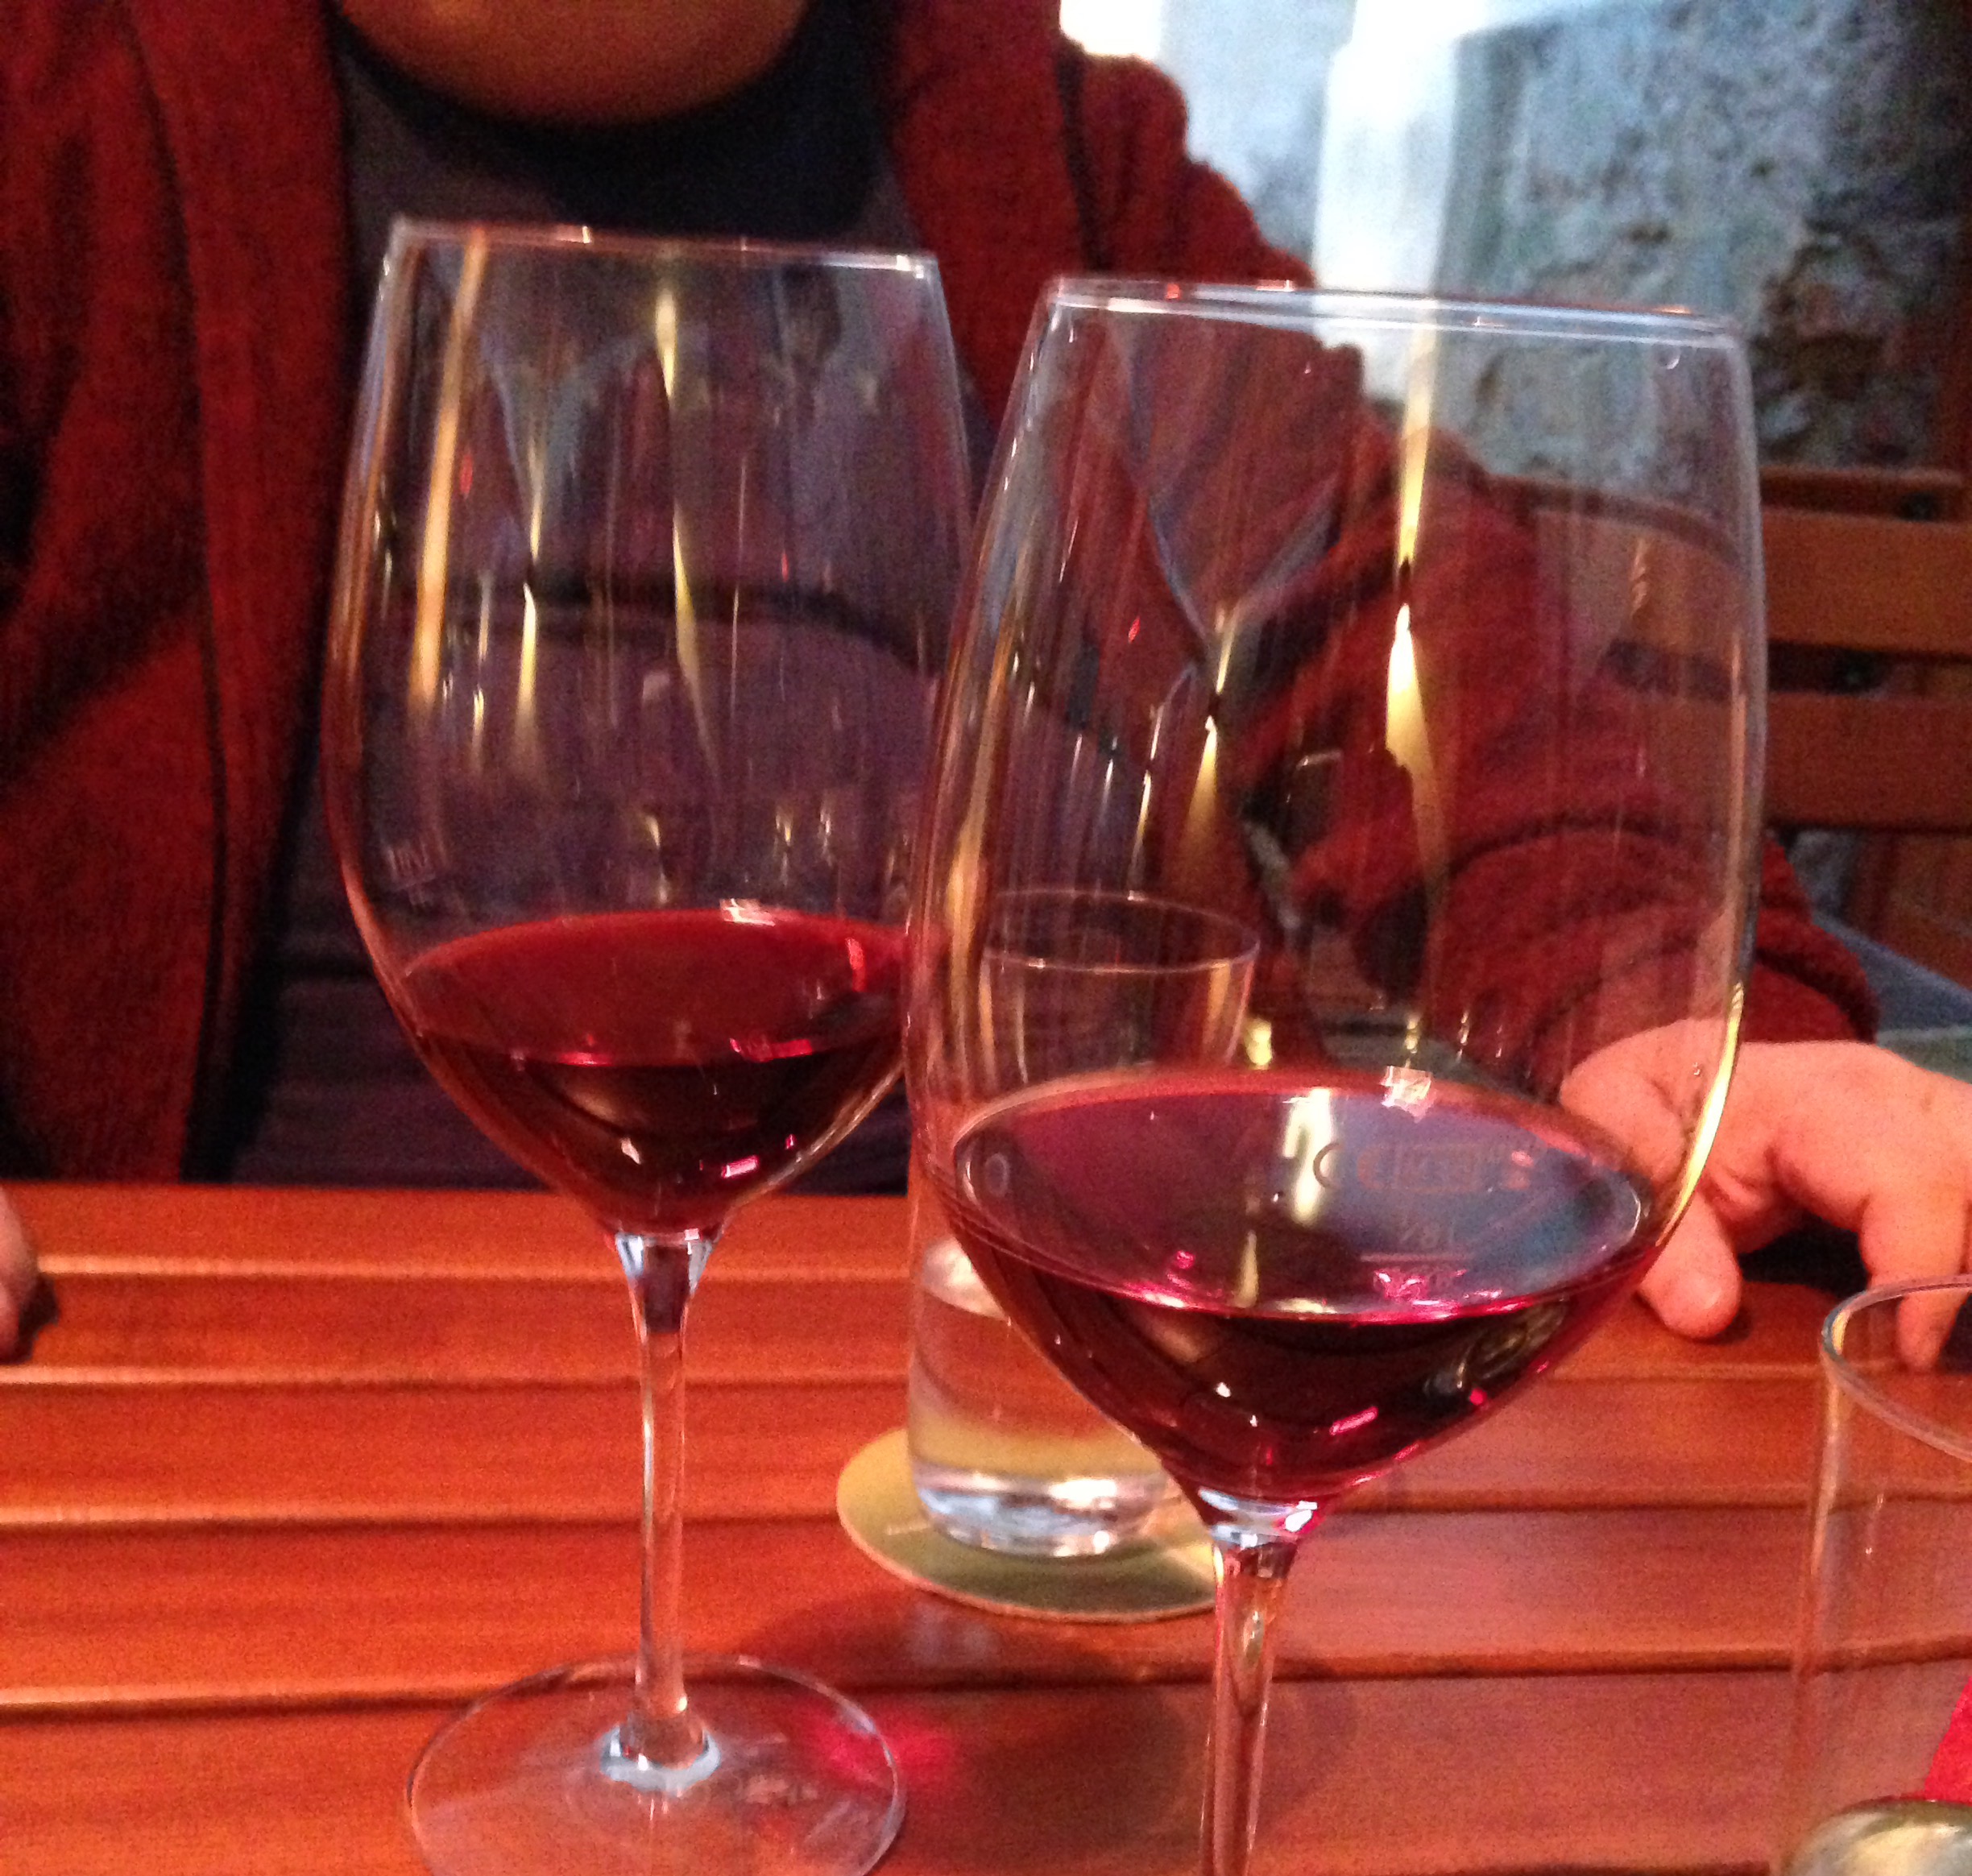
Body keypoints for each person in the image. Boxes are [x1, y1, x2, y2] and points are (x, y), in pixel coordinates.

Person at [2, 0, 1970, 1357]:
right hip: (194, 1374)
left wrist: (1653, 1016)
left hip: (974, 1388)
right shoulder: (55, 106)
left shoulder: (1047, 151)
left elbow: (1408, 630)